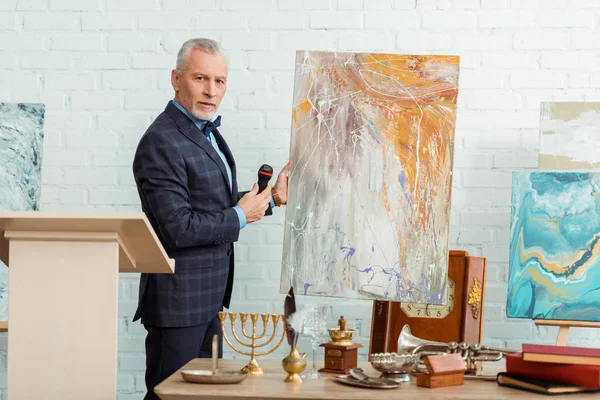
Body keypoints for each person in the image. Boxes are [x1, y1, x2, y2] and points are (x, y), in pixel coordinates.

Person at [132, 38, 291, 400]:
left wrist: (271, 199)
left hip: (207, 299)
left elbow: (210, 204)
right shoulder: (161, 140)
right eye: (200, 78)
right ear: (176, 79)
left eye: (219, 81)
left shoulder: (205, 131)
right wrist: (240, 215)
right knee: (168, 397)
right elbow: (179, 226)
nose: (211, 91)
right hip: (177, 304)